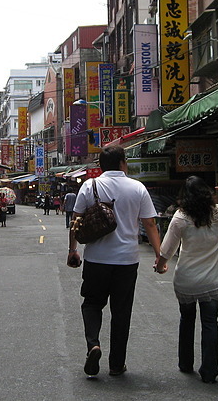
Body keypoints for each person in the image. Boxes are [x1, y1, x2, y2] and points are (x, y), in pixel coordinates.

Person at [67, 145, 161, 378]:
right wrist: (160, 256)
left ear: (101, 165)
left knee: (91, 303)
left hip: (97, 259)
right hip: (127, 261)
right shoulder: (137, 188)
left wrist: (73, 250)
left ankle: (93, 345)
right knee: (121, 312)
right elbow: (149, 224)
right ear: (122, 163)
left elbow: (76, 220)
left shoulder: (90, 185)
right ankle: (117, 364)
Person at [155, 176, 218, 384]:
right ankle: (209, 372)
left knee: (187, 320)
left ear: (184, 195)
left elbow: (167, 249)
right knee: (210, 323)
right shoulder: (217, 213)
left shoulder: (180, 217)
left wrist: (160, 266)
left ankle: (185, 363)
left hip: (187, 279)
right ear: (205, 193)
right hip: (212, 281)